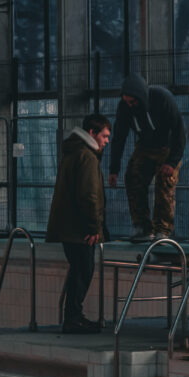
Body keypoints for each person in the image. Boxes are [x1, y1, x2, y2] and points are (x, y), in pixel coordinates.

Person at [46, 112, 111, 334]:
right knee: (84, 269)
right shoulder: (87, 156)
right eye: (104, 135)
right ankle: (73, 317)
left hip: (69, 226)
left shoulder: (73, 152)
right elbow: (89, 195)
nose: (107, 141)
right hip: (80, 229)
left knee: (79, 270)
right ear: (92, 133)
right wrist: (94, 228)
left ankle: (73, 316)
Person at [108, 74, 186, 243]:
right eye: (127, 102)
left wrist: (172, 162)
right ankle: (142, 226)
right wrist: (114, 169)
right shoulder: (125, 107)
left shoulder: (161, 98)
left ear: (141, 97)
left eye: (133, 102)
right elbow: (119, 137)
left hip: (167, 146)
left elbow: (179, 131)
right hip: (145, 146)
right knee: (133, 176)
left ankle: (163, 229)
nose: (130, 105)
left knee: (165, 181)